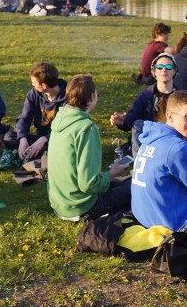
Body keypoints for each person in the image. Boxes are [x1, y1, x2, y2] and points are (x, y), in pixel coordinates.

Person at [47, 74, 131, 221]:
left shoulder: (60, 119)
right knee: (136, 188)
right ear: (92, 97)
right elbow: (88, 184)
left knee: (120, 184)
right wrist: (112, 173)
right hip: (82, 207)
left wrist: (110, 179)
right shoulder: (87, 128)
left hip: (59, 204)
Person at [131, 91, 187, 231]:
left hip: (144, 218)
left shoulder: (150, 138)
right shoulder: (177, 148)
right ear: (170, 116)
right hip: (173, 225)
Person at [112, 52, 187, 157]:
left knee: (184, 123)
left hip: (174, 138)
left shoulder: (183, 97)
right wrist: (121, 122)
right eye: (159, 67)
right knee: (138, 124)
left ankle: (183, 157)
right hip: (152, 138)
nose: (164, 70)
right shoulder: (145, 96)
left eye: (168, 67)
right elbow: (131, 123)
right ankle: (140, 160)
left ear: (174, 71)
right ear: (154, 72)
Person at [12, 62, 67, 161]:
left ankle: (39, 153)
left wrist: (45, 139)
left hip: (59, 139)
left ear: (44, 86)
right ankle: (37, 152)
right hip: (38, 138)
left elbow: (66, 129)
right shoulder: (34, 93)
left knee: (63, 147)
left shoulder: (68, 97)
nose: (32, 84)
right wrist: (22, 139)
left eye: (34, 82)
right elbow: (24, 118)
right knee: (9, 136)